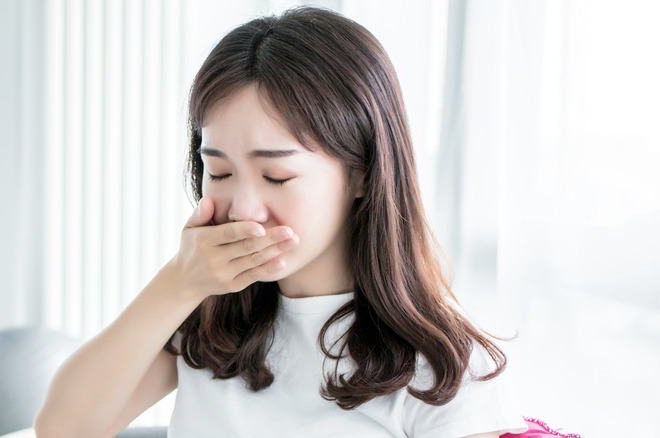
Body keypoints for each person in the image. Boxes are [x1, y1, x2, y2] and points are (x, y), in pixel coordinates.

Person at [35, 6, 528, 438]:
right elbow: (63, 428)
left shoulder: (443, 367)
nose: (244, 208)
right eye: (220, 171)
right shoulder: (211, 324)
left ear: (361, 173)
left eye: (276, 175)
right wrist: (178, 285)